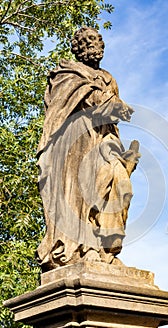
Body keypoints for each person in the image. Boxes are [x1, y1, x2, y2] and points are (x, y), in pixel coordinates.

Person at [36, 27, 140, 271]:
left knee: (120, 185)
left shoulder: (108, 77)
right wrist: (101, 102)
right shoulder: (67, 73)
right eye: (90, 40)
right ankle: (86, 247)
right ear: (78, 47)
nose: (97, 45)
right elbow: (60, 108)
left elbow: (111, 111)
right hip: (76, 143)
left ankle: (108, 249)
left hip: (104, 140)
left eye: (99, 40)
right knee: (81, 193)